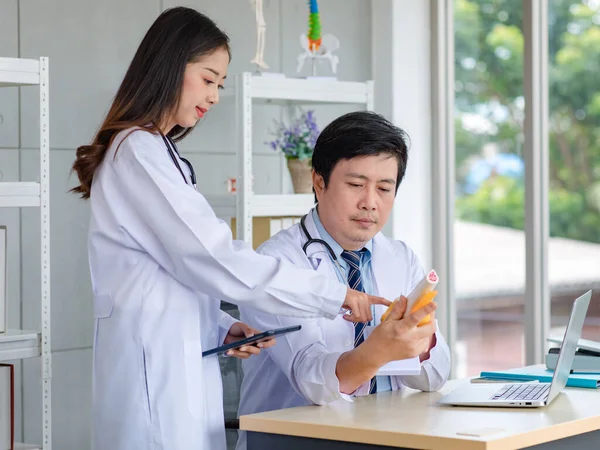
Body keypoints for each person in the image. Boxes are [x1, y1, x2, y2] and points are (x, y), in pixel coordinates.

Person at [70, 8, 390, 450]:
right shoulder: (139, 152)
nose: (215, 95)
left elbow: (173, 274)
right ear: (170, 65)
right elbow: (212, 257)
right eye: (208, 78)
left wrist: (220, 327)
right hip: (153, 385)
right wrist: (332, 294)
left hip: (172, 373)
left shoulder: (155, 154)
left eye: (220, 84)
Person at [236, 111, 452, 450]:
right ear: (319, 182)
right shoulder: (276, 263)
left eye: (384, 188)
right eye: (356, 185)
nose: (370, 203)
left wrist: (419, 344)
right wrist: (380, 350)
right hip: (294, 441)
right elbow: (312, 381)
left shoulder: (401, 257)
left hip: (384, 436)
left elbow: (435, 376)